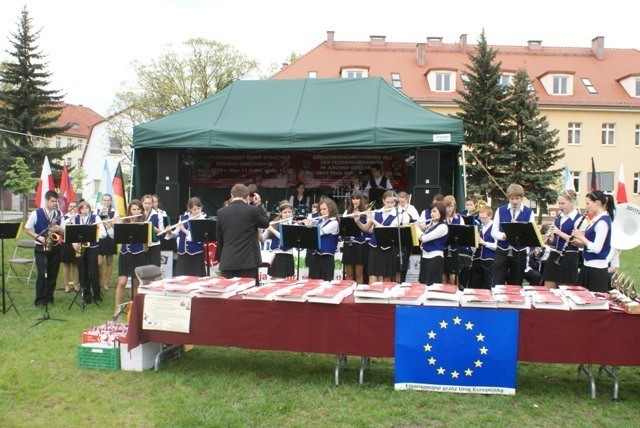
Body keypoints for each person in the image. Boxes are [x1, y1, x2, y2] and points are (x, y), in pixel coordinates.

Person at [215, 184, 270, 283]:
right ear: (248, 197)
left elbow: (219, 238)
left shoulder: (221, 212)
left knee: (228, 295)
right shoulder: (252, 210)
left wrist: (223, 255)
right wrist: (259, 205)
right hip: (248, 262)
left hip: (228, 261)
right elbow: (265, 223)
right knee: (247, 295)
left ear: (231, 195)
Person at [25, 190, 64, 307]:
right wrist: (40, 238)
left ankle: (50, 298)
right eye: (52, 201)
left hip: (55, 247)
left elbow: (64, 231)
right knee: (42, 273)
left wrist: (59, 230)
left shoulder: (59, 213)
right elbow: (27, 229)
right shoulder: (36, 213)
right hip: (41, 247)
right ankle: (40, 300)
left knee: (53, 273)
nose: (54, 204)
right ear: (46, 200)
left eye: (56, 201)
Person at [491, 184, 536, 286]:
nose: (514, 202)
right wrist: (503, 236)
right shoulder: (501, 210)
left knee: (516, 283)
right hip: (502, 250)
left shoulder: (529, 213)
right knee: (497, 282)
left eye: (517, 198)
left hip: (519, 252)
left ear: (522, 198)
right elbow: (493, 232)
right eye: (512, 199)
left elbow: (531, 234)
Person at [571, 190, 615, 293]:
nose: (586, 207)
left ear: (597, 203)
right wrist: (580, 241)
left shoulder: (602, 222)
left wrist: (580, 237)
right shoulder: (596, 220)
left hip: (596, 270)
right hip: (589, 266)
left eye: (588, 203)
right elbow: (590, 241)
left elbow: (597, 248)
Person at [359, 190, 407, 283]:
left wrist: (372, 219)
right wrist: (357, 221)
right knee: (373, 274)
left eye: (392, 202)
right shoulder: (377, 212)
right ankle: (371, 295)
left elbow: (387, 230)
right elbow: (366, 229)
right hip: (374, 246)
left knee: (387, 277)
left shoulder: (398, 215)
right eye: (387, 202)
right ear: (383, 201)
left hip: (387, 248)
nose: (390, 205)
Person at [542, 190, 582, 288]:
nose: (560, 206)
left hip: (569, 256)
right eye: (559, 203)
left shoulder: (579, 218)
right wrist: (548, 240)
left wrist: (559, 232)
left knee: (567, 290)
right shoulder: (559, 217)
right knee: (548, 288)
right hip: (554, 254)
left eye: (563, 203)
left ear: (572, 202)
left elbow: (579, 242)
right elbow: (554, 240)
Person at [114, 200, 148, 313]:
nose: (136, 211)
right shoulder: (125, 222)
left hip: (138, 254)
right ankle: (117, 308)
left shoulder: (144, 223)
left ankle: (135, 308)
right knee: (122, 282)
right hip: (125, 254)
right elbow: (116, 237)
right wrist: (115, 225)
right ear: (130, 211)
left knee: (135, 282)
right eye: (134, 209)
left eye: (138, 209)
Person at [72, 200, 107, 304]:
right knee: (82, 271)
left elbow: (103, 233)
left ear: (89, 208)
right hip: (81, 248)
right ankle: (86, 294)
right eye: (82, 209)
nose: (84, 210)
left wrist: (93, 235)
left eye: (86, 208)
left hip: (93, 248)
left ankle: (96, 294)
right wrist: (75, 243)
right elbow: (73, 232)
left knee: (93, 271)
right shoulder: (77, 218)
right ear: (80, 210)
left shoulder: (96, 218)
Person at [167, 197, 206, 277]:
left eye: (198, 208)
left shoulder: (202, 219)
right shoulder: (183, 218)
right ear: (189, 209)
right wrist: (170, 232)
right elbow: (177, 233)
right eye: (194, 209)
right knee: (181, 278)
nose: (197, 211)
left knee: (196, 279)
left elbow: (197, 238)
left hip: (195, 255)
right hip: (183, 255)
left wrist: (183, 229)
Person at [307, 198, 340, 281]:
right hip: (317, 255)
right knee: (313, 282)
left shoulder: (334, 222)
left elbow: (318, 233)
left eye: (324, 209)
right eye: (321, 209)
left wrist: (308, 227)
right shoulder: (321, 220)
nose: (322, 212)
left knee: (325, 283)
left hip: (327, 257)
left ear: (331, 209)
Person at [417, 202, 448, 285]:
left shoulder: (443, 227)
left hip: (435, 258)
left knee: (432, 285)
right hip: (425, 256)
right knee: (423, 283)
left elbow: (424, 238)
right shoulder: (432, 224)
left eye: (434, 211)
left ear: (441, 212)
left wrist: (416, 228)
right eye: (431, 212)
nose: (432, 214)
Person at [262, 201, 295, 279]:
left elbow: (285, 238)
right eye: (285, 212)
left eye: (289, 212)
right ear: (280, 213)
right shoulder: (274, 223)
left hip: (287, 256)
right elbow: (262, 238)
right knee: (275, 281)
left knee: (282, 282)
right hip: (276, 256)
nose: (287, 214)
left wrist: (272, 229)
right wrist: (256, 229)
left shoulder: (294, 225)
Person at [342, 191, 369, 284]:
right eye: (353, 199)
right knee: (349, 274)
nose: (355, 201)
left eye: (357, 199)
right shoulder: (347, 212)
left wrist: (358, 220)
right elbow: (343, 226)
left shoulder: (365, 213)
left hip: (359, 245)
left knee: (359, 274)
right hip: (349, 244)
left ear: (361, 200)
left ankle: (358, 293)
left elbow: (367, 229)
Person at [95, 194, 119, 292]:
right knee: (99, 262)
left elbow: (116, 225)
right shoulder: (96, 211)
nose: (106, 202)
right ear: (102, 201)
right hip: (100, 237)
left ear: (110, 201)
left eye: (108, 201)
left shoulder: (114, 212)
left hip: (110, 237)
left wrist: (108, 218)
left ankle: (105, 283)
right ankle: (99, 281)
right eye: (104, 200)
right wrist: (100, 215)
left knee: (109, 262)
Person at [470, 205, 497, 289]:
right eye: (480, 217)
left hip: (490, 261)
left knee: (487, 284)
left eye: (484, 218)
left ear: (490, 216)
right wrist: (473, 246)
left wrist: (484, 243)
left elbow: (497, 246)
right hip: (478, 260)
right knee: (476, 284)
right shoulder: (478, 227)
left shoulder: (495, 228)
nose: (481, 220)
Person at [442, 195, 464, 285]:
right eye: (447, 206)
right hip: (443, 249)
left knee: (453, 275)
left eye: (451, 206)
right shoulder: (441, 219)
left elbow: (463, 233)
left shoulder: (459, 219)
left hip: (455, 250)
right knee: (442, 274)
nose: (449, 209)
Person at [60, 200, 79, 293]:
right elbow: (62, 227)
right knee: (66, 264)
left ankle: (75, 284)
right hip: (67, 242)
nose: (72, 208)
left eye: (74, 206)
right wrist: (70, 219)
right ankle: (66, 284)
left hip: (77, 243)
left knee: (76, 264)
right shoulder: (64, 217)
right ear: (68, 208)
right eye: (70, 206)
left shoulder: (79, 217)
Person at [142, 194, 162, 267]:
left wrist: (152, 227)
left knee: (155, 268)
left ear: (152, 204)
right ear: (142, 203)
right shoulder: (139, 214)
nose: (147, 205)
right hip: (142, 245)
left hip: (154, 244)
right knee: (143, 268)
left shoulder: (158, 214)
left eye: (149, 203)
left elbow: (161, 232)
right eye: (145, 203)